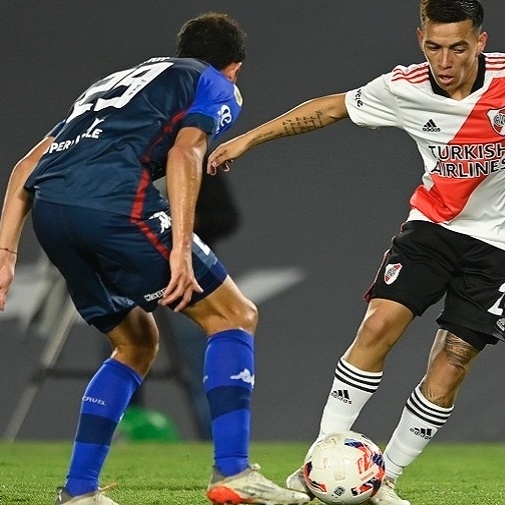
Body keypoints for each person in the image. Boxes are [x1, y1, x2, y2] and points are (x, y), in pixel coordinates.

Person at [206, 1, 505, 504]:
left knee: (452, 363)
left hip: (504, 245)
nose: (444, 62)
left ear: (481, 42)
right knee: (378, 325)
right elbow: (331, 107)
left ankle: (385, 481)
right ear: (420, 39)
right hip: (433, 228)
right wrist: (249, 139)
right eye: (433, 47)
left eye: (457, 48)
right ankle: (319, 462)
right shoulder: (403, 86)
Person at [0, 12, 310, 505]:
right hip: (116, 206)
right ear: (234, 67)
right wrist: (181, 249)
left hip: (53, 215)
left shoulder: (112, 84)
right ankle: (233, 473)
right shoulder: (214, 83)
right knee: (234, 315)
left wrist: (6, 254)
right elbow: (186, 153)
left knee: (134, 342)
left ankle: (79, 490)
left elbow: (26, 165)